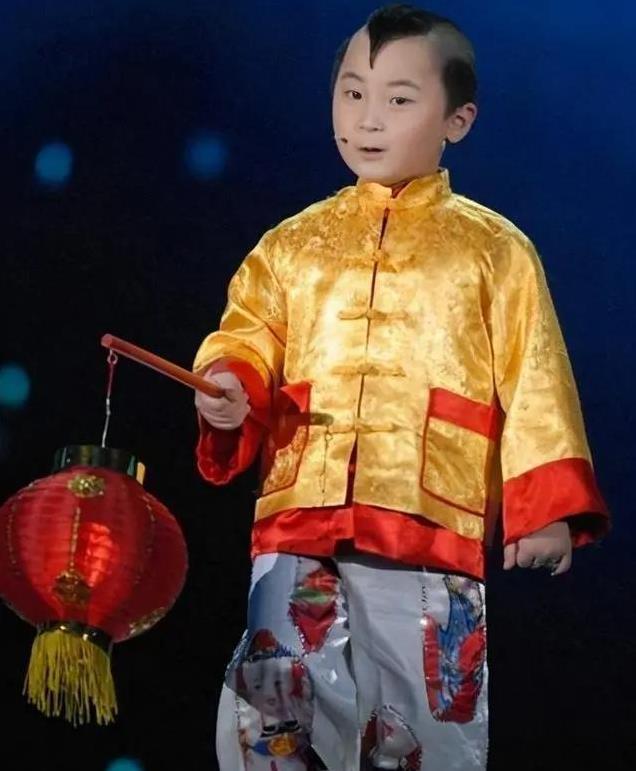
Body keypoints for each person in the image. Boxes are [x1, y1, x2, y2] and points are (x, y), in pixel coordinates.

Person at [193, 5, 609, 770]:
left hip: (429, 514)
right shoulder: (291, 245)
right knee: (272, 701)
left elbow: (534, 373)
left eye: (398, 98)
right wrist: (229, 383)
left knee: (423, 723)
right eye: (353, 93)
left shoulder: (494, 250)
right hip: (302, 510)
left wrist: (543, 507)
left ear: (458, 120)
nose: (368, 118)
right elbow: (248, 335)